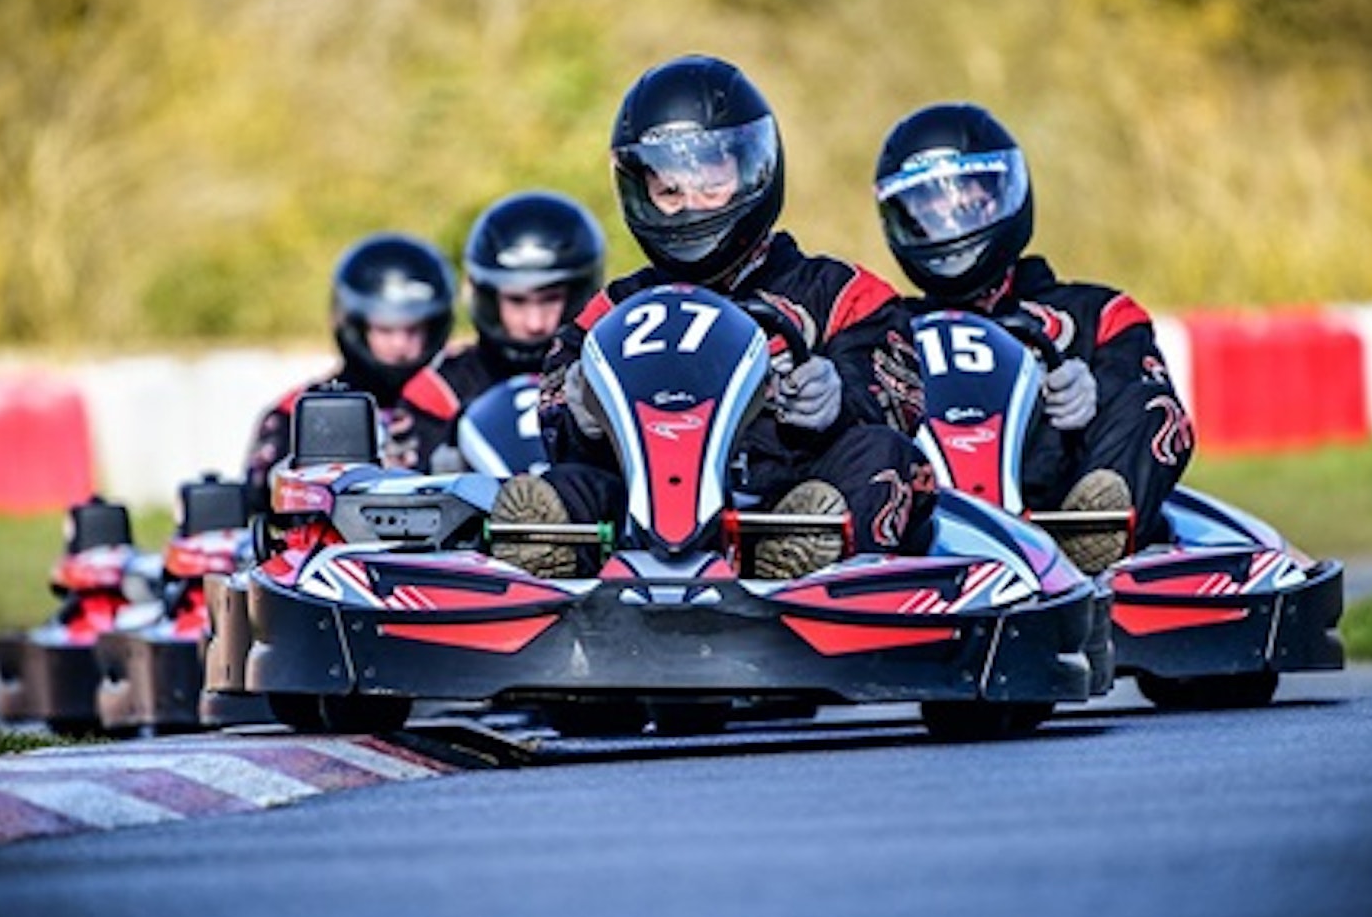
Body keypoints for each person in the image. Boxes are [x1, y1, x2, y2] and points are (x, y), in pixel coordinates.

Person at [491, 53, 933, 579]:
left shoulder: (839, 293)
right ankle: (546, 562)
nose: (693, 205)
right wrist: (581, 413)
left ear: (754, 171)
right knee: (563, 488)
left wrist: (838, 398)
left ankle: (800, 555)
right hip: (642, 515)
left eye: (709, 182)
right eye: (669, 190)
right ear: (640, 193)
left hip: (785, 495)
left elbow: (900, 402)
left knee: (888, 457)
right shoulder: (611, 313)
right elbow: (555, 415)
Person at [872, 101, 1195, 573]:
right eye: (928, 210)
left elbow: (1141, 397)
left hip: (1054, 502)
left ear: (1005, 195)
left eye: (967, 202)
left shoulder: (1095, 313)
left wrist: (1094, 396)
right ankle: (862, 543)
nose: (950, 224)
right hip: (930, 514)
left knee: (1151, 407)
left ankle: (1087, 544)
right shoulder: (886, 324)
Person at [243, 232, 458, 512]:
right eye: (385, 329)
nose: (400, 344)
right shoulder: (297, 413)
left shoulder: (453, 403)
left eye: (413, 330)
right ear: (354, 326)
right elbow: (260, 500)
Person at [442, 189, 607, 413]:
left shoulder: (607, 377)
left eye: (550, 300)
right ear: (488, 299)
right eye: (517, 301)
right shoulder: (441, 394)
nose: (535, 323)